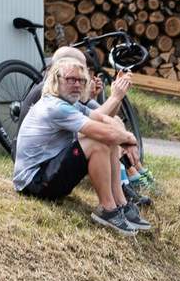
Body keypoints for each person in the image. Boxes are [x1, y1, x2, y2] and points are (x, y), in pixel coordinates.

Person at [10, 55, 150, 235]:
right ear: (56, 80)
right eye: (71, 79)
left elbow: (103, 118)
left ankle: (120, 203)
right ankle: (107, 209)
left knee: (108, 140)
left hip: (47, 174)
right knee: (97, 141)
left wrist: (124, 136)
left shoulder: (70, 104)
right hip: (34, 184)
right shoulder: (56, 107)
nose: (77, 84)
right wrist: (130, 139)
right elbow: (102, 132)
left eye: (81, 80)